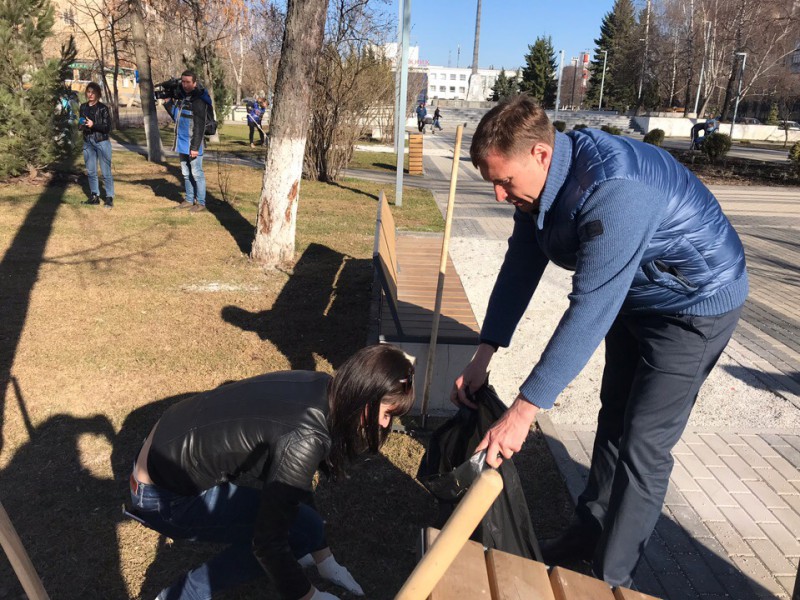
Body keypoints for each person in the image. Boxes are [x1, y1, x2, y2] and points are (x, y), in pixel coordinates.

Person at [451, 95, 748, 588]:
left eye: (504, 181)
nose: (499, 196)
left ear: (541, 154)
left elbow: (590, 308)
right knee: (613, 419)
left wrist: (523, 411)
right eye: (493, 183)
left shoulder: (614, 190)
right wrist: (485, 353)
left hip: (695, 304)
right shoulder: (540, 190)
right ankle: (586, 536)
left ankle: (610, 583)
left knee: (644, 444)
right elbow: (520, 265)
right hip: (638, 296)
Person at [128, 344, 415, 600]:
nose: (384, 424)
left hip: (166, 447)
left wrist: (325, 560)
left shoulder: (323, 385)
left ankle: (308, 551)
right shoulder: (305, 437)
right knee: (294, 535)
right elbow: (268, 542)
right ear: (365, 396)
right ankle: (183, 595)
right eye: (387, 413)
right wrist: (310, 596)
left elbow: (295, 483)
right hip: (163, 496)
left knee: (306, 528)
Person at [164, 70, 212, 213]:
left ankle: (201, 202)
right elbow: (177, 117)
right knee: (186, 173)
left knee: (197, 173)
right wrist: (168, 103)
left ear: (194, 83)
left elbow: (199, 126)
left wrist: (195, 147)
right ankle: (189, 199)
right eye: (183, 82)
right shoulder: (184, 98)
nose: (185, 85)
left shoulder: (199, 100)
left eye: (188, 82)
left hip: (193, 143)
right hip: (182, 142)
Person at [79, 82, 115, 209]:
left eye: (93, 92)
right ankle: (94, 196)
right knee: (91, 171)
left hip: (102, 142)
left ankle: (109, 197)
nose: (90, 94)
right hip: (88, 142)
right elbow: (81, 122)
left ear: (98, 94)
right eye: (88, 92)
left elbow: (107, 128)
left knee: (106, 172)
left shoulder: (103, 108)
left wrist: (93, 125)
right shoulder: (83, 107)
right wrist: (81, 125)